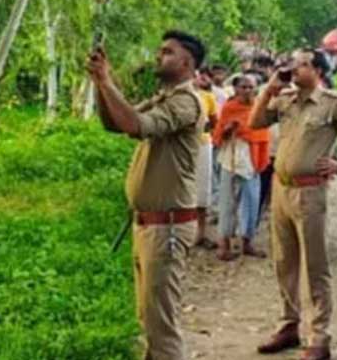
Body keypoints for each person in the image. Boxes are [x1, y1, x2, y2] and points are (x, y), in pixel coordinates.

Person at [250, 49, 337, 360]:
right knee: (284, 262)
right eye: (295, 62)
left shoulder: (333, 103)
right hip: (282, 190)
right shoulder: (285, 99)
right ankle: (289, 324)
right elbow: (254, 122)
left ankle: (319, 336)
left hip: (310, 193)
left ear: (319, 70)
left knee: (314, 266)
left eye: (304, 64)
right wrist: (270, 87)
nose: (295, 68)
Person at [87, 30, 207, 360]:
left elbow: (135, 125)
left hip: (166, 228)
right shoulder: (165, 98)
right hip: (150, 227)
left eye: (167, 52)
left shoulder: (186, 102)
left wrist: (107, 80)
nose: (159, 56)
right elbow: (115, 123)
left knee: (162, 327)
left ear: (186, 62)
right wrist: (101, 84)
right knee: (149, 321)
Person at [212, 74, 271, 260]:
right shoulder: (229, 108)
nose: (247, 91)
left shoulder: (259, 108)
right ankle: (224, 244)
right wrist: (227, 129)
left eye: (250, 87)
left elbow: (262, 134)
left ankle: (247, 241)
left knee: (252, 201)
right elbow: (218, 133)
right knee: (227, 201)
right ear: (236, 89)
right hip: (231, 156)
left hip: (252, 159)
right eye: (243, 87)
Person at [193, 70, 220, 250]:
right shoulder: (170, 96)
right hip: (180, 147)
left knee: (202, 190)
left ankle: (200, 233)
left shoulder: (207, 97)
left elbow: (214, 121)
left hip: (202, 144)